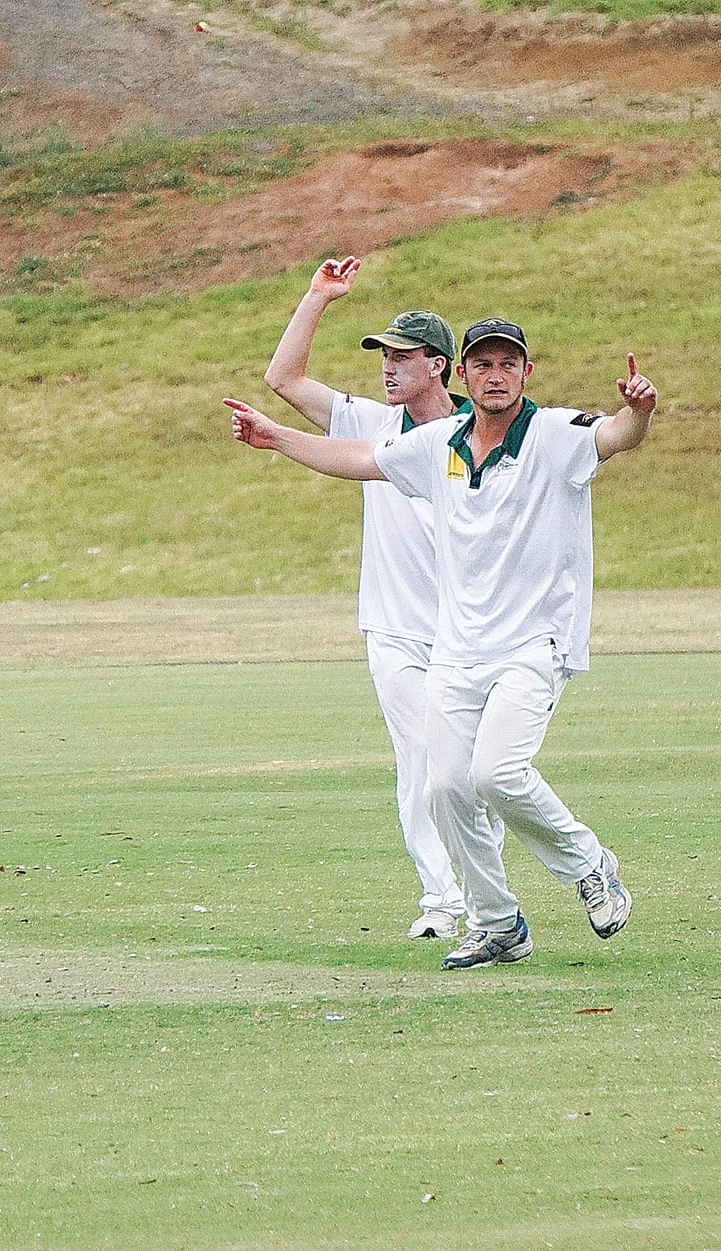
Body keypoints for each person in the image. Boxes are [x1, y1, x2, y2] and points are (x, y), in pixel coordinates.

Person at [226, 317, 653, 969]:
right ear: (466, 374)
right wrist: (277, 437)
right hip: (459, 647)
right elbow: (362, 460)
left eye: (508, 363)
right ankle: (496, 921)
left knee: (497, 773)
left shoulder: (552, 434)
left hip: (532, 644)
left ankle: (590, 863)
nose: (496, 374)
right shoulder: (441, 444)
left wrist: (638, 412)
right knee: (446, 785)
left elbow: (613, 437)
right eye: (484, 363)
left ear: (525, 373)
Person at [261, 255, 491, 941]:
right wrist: (316, 297)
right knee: (418, 760)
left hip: (465, 630)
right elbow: (284, 379)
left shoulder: (476, 435)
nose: (387, 367)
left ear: (439, 367)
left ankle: (483, 894)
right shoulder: (369, 421)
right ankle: (443, 899)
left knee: (469, 770)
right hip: (393, 628)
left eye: (403, 356)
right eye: (384, 356)